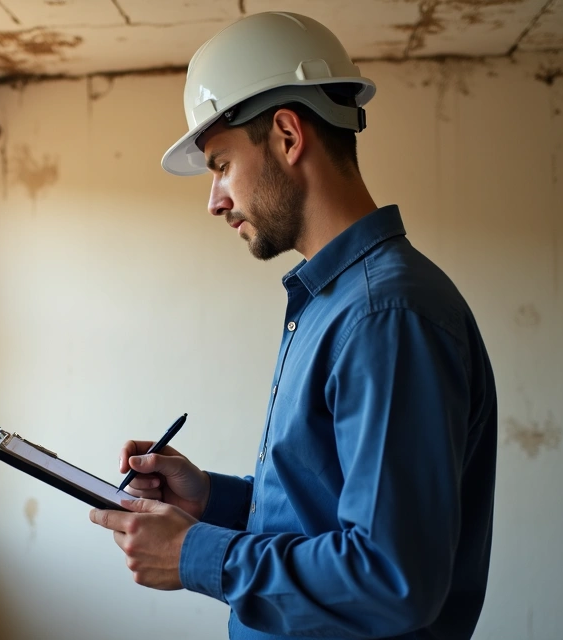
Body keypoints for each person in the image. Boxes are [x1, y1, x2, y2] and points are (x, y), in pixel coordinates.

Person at [88, 11, 499, 640]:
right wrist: (210, 501)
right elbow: (325, 508)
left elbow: (392, 577)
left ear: (287, 135)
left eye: (220, 164)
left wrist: (196, 554)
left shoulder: (384, 316)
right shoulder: (335, 302)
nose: (214, 199)